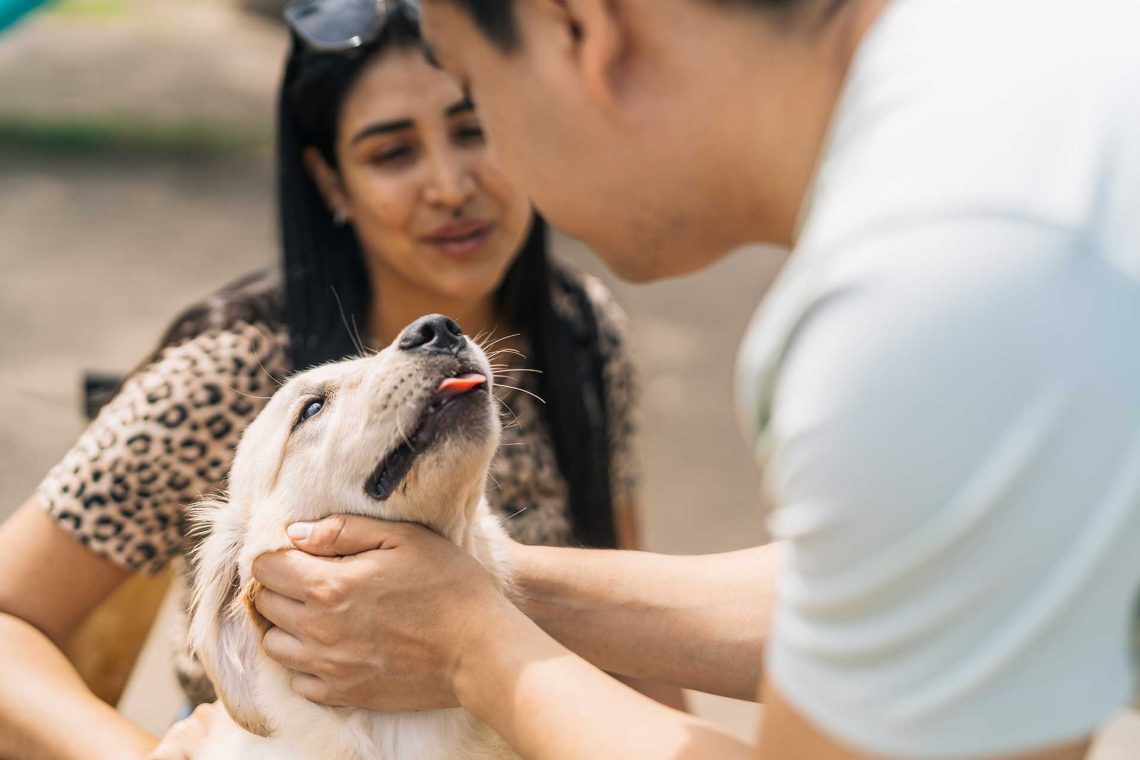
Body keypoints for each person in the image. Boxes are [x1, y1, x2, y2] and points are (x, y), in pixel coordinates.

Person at [248, 0, 1140, 758]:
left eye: (476, 100)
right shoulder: (1022, 83)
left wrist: (471, 652)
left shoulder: (940, 285)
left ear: (580, 28)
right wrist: (490, 585)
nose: (486, 176)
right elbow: (916, 588)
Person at [0, 3, 680, 757]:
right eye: (393, 153)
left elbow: (641, 655)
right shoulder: (230, 367)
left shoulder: (580, 332)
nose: (450, 184)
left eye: (474, 128)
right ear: (330, 179)